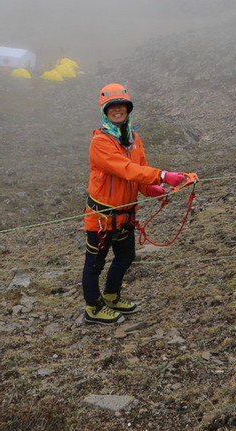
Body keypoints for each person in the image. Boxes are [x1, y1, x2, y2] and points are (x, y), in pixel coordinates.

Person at [81, 84, 196, 324]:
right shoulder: (100, 142)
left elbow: (139, 172)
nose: (117, 110)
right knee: (95, 264)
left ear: (128, 108)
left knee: (125, 257)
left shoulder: (134, 139)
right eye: (112, 106)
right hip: (102, 218)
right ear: (105, 110)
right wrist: (163, 176)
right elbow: (124, 169)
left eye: (121, 105)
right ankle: (93, 308)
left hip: (126, 214)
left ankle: (112, 296)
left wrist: (152, 189)